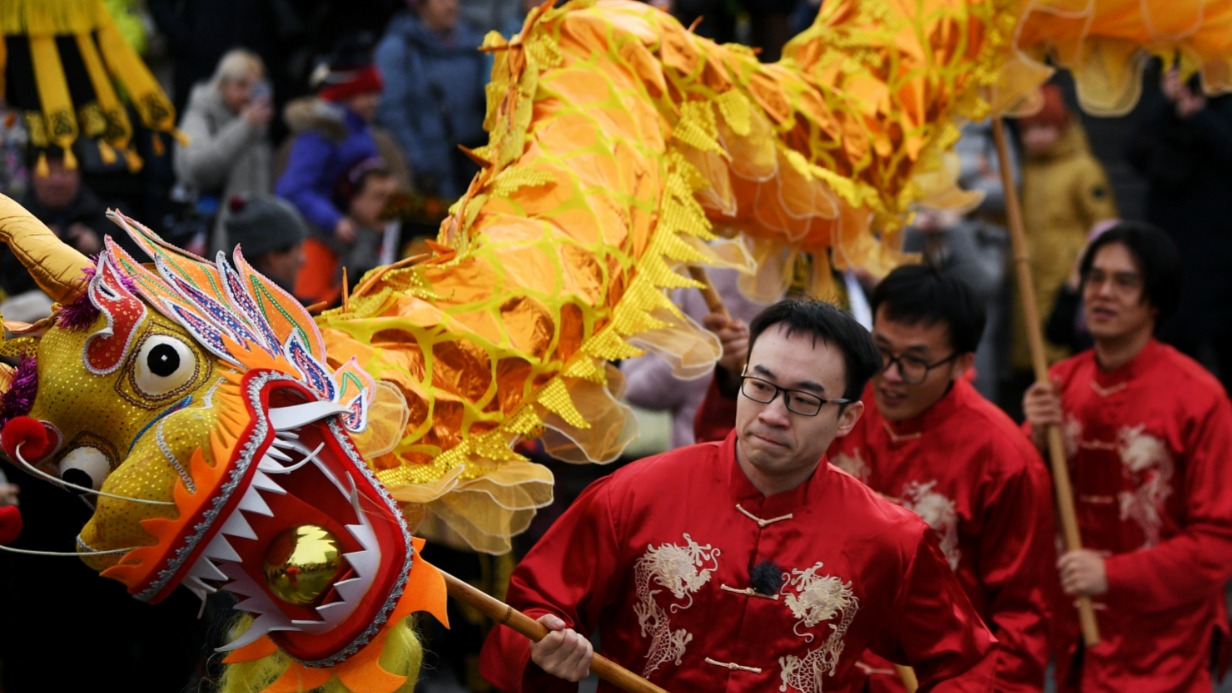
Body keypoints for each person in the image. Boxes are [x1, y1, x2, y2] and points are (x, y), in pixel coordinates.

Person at [479, 299, 997, 692]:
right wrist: (545, 651)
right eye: (761, 386)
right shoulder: (635, 493)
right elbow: (531, 609)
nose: (773, 414)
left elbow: (967, 665)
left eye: (804, 399)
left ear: (847, 418)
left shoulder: (890, 538)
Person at [1022, 221, 1232, 691]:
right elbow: (1016, 502)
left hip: (1165, 647)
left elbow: (1218, 543)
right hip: (1074, 636)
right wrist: (1032, 437)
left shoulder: (1200, 398)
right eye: (1095, 278)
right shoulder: (1059, 383)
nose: (1103, 292)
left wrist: (1111, 575)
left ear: (1155, 300)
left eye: (1124, 282)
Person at [826, 264, 1055, 692]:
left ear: (962, 364)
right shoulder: (840, 410)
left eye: (915, 361)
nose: (891, 375)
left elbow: (1023, 618)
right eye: (881, 350)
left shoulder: (1004, 459)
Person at [1004, 83, 1118, 415]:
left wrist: (1082, 271)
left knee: (1063, 356)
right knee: (1030, 354)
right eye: (1028, 130)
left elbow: (1104, 225)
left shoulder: (1083, 168)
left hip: (1065, 280)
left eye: (1044, 127)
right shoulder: (1024, 171)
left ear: (1061, 126)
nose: (1035, 137)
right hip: (1030, 276)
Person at [1126, 66, 1232, 393]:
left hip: (1222, 254)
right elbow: (1136, 154)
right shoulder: (1163, 108)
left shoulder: (1223, 102)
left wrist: (1199, 116)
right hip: (1172, 251)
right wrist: (1166, 103)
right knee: (1172, 362)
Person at [275, 37, 386, 306]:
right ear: (345, 93)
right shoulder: (321, 132)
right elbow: (292, 189)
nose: (373, 102)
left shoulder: (360, 129)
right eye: (365, 94)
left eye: (375, 94)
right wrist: (333, 221)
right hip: (320, 234)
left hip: (355, 226)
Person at [620, 267, 772, 449]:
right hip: (697, 447)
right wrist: (693, 347)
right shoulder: (689, 271)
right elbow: (637, 388)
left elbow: (638, 387)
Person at [374, 0, 488, 199]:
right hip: (431, 175)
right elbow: (391, 114)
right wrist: (420, 166)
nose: (451, 6)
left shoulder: (474, 41)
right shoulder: (398, 50)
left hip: (476, 165)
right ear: (420, 6)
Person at [173, 48, 275, 257]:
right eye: (241, 86)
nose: (248, 95)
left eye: (255, 87)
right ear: (222, 85)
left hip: (255, 238)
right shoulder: (201, 113)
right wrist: (244, 127)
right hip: (213, 239)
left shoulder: (256, 123)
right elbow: (198, 168)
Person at [222, 194, 308, 297]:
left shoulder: (220, 293)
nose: (303, 260)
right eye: (298, 248)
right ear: (273, 258)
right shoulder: (277, 304)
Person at [331, 156, 399, 283]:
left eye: (392, 197)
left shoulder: (405, 243)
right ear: (353, 200)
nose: (389, 205)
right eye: (379, 197)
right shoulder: (324, 246)